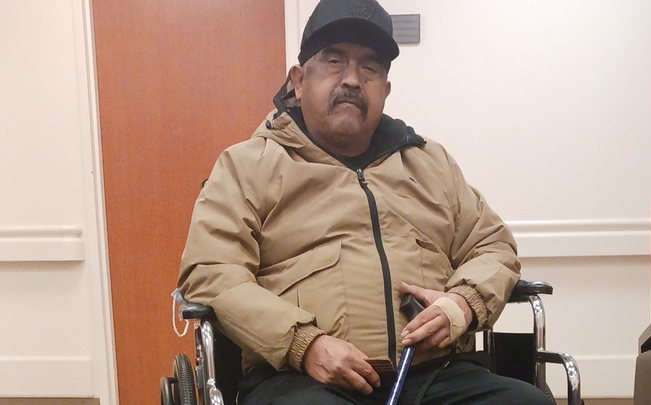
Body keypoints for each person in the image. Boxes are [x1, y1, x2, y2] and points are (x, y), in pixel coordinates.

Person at [178, 0, 553, 404]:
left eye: (370, 67)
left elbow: (493, 246)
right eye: (334, 61)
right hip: (302, 379)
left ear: (385, 91)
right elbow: (212, 272)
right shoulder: (247, 165)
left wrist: (464, 302)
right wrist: (305, 344)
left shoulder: (430, 163)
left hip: (433, 373)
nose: (352, 80)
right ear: (299, 80)